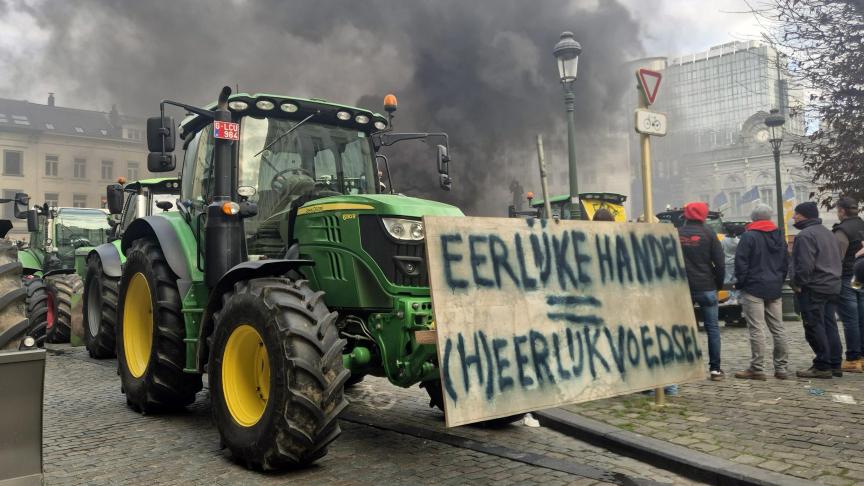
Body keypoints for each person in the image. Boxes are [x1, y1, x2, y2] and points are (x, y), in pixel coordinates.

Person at [732, 205, 790, 380]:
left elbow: (741, 262)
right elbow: (785, 261)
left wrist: (741, 282)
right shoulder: (779, 235)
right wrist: (779, 280)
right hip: (774, 287)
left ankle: (757, 369)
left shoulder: (749, 236)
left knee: (757, 329)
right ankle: (781, 368)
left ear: (754, 218)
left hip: (753, 287)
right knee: (778, 328)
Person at [790, 201, 843, 378]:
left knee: (814, 325)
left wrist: (798, 283)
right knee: (830, 325)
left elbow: (805, 265)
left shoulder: (805, 235)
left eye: (796, 214)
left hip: (814, 286)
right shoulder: (828, 233)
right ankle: (835, 363)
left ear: (804, 215)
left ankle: (822, 365)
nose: (793, 217)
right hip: (832, 285)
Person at [678, 201, 725, 380]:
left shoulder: (677, 233)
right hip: (706, 286)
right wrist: (718, 285)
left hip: (683, 287)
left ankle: (686, 367)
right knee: (713, 328)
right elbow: (720, 264)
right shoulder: (709, 234)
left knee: (684, 327)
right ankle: (715, 369)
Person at [832, 197, 864, 373]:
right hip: (860, 275)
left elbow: (837, 257)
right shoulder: (862, 225)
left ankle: (853, 358)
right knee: (861, 315)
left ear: (842, 211)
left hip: (847, 276)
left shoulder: (842, 230)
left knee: (851, 319)